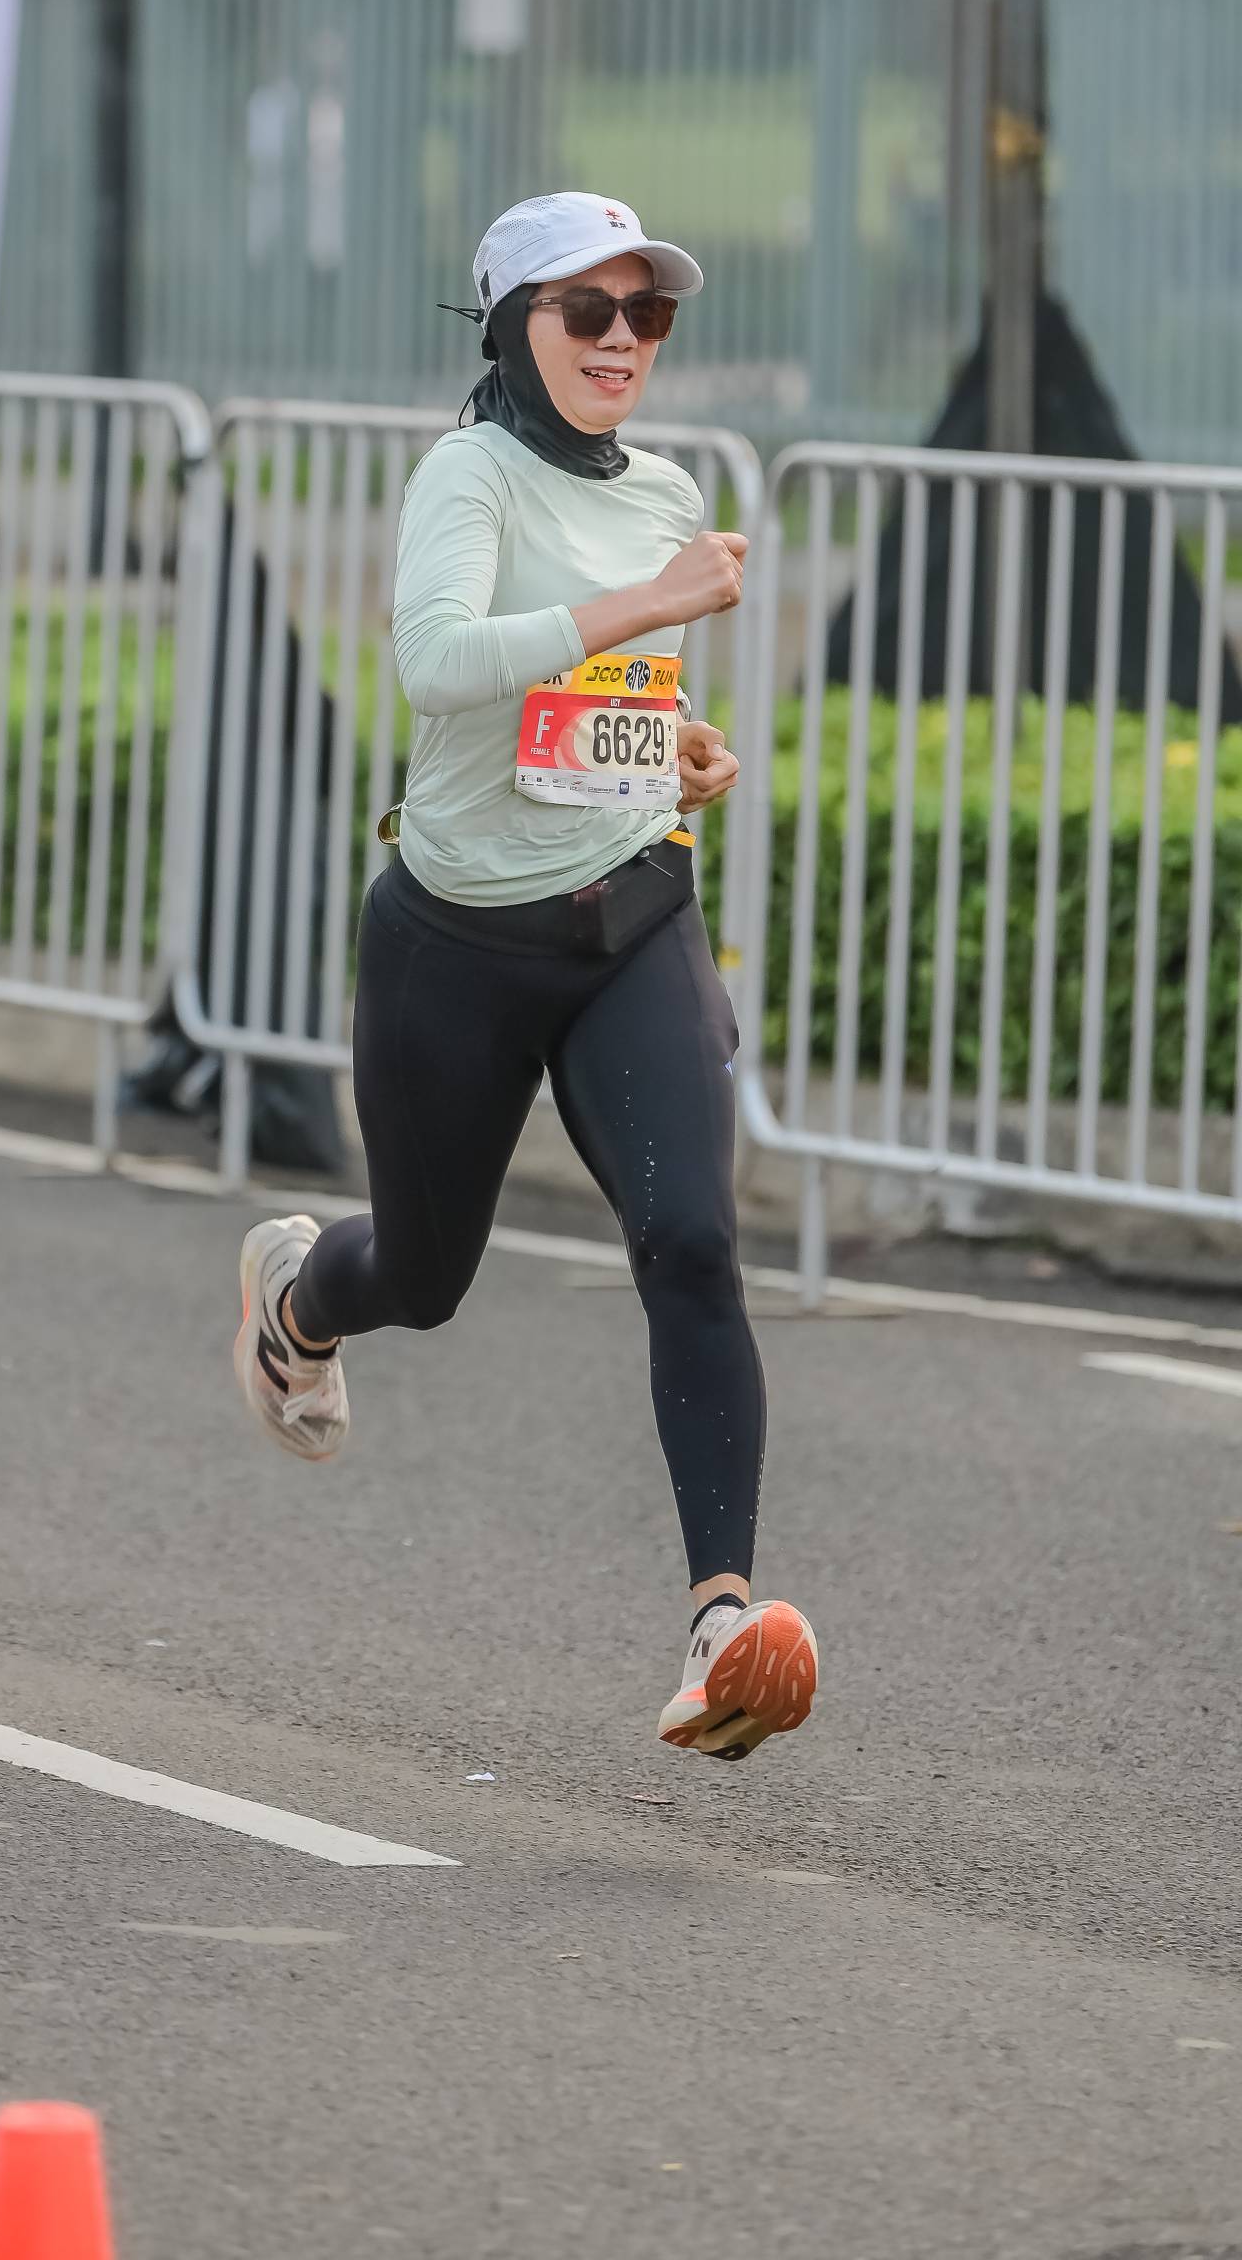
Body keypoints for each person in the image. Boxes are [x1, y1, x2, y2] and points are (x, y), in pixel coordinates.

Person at [231, 190, 816, 1763]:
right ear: (510, 328)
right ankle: (298, 1298)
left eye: (649, 313)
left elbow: (596, 704)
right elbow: (438, 664)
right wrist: (655, 602)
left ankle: (720, 1625)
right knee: (423, 1280)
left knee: (693, 1238)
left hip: (633, 919)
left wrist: (674, 745)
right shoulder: (469, 476)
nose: (623, 341)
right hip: (458, 943)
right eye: (587, 311)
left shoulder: (667, 490)